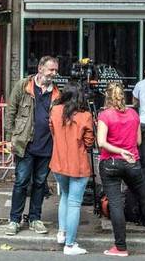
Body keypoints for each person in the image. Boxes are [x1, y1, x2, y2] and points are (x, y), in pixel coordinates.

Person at [97, 83, 145, 257]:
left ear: (107, 97)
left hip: (110, 164)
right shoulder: (133, 114)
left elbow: (101, 142)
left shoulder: (104, 115)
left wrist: (118, 150)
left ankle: (121, 247)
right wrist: (126, 149)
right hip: (132, 162)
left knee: (116, 204)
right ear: (122, 96)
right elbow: (138, 141)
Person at [4, 55, 60, 236]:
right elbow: (11, 111)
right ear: (40, 69)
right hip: (24, 143)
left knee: (40, 183)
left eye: (56, 70)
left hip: (47, 145)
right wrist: (9, 138)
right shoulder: (23, 85)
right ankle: (14, 220)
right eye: (51, 69)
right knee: (21, 182)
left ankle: (35, 218)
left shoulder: (57, 93)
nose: (54, 73)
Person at [48, 82, 94, 256]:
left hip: (58, 162)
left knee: (65, 196)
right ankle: (70, 244)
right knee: (75, 202)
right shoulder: (85, 115)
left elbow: (52, 131)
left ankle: (62, 232)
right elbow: (89, 141)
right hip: (78, 164)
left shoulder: (55, 111)